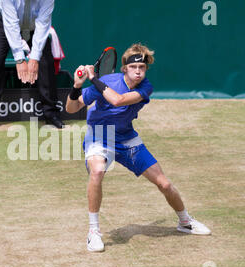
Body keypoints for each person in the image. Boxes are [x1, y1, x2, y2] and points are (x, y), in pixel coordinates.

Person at [66, 43, 211, 253]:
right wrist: (77, 85)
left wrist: (93, 79)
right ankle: (93, 232)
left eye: (142, 68)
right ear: (124, 68)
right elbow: (71, 108)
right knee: (97, 171)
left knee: (165, 184)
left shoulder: (145, 87)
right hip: (100, 136)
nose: (138, 72)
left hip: (126, 138)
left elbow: (118, 100)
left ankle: (185, 221)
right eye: (134, 68)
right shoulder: (108, 81)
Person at [0, 0, 64, 130]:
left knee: (46, 62)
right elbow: (11, 26)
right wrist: (20, 59)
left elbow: (42, 25)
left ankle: (51, 113)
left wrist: (34, 59)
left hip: (34, 26)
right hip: (4, 22)